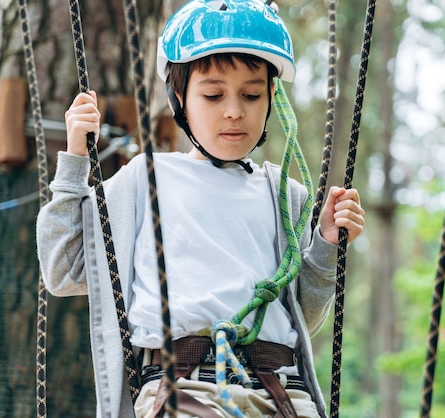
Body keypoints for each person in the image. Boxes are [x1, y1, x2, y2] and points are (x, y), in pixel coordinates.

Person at [36, 0, 365, 416]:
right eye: (213, 94)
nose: (234, 110)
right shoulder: (145, 180)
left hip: (283, 391)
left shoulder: (285, 194)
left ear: (271, 101)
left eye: (251, 94)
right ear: (180, 98)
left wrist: (325, 246)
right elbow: (63, 269)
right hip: (185, 389)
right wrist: (73, 165)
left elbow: (306, 317)